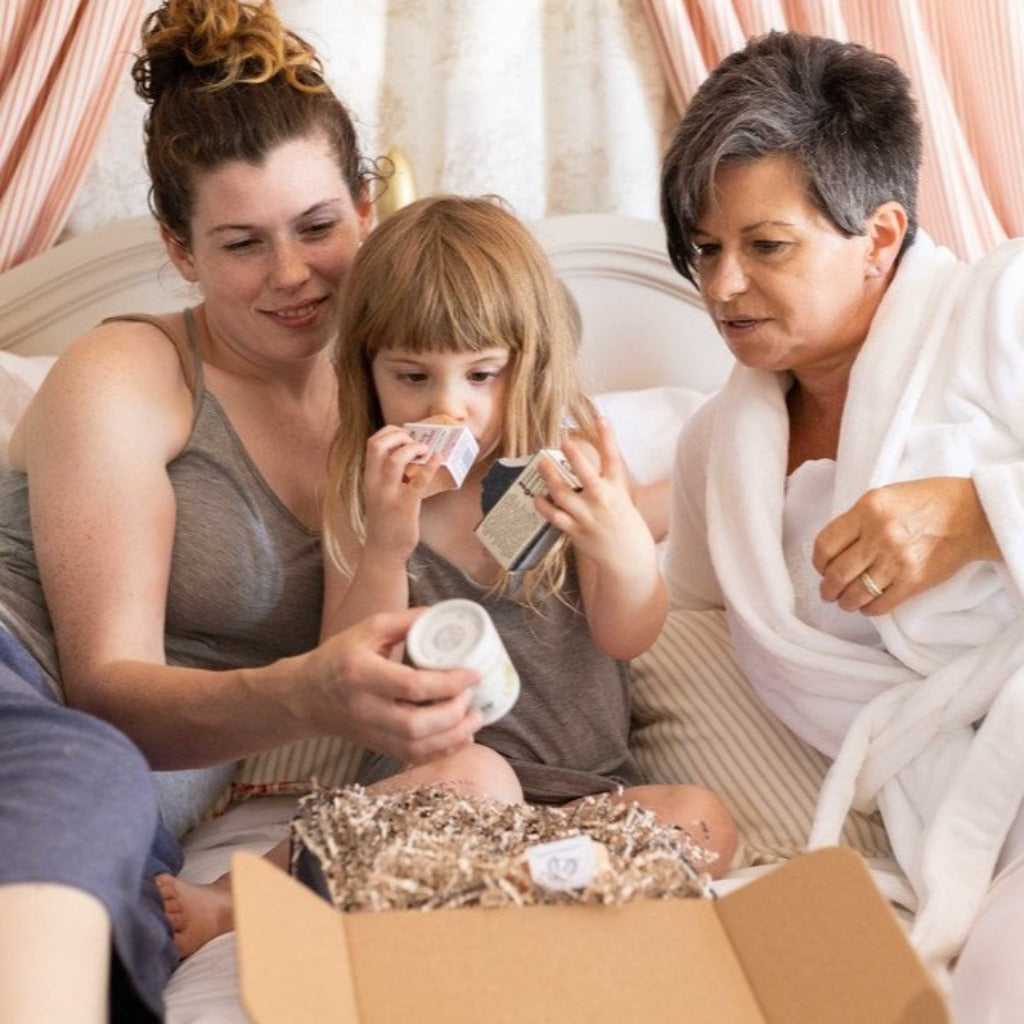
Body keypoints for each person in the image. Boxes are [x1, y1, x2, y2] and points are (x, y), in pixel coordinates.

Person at [0, 2, 482, 1021]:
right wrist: (308, 692)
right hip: (35, 706)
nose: (293, 275)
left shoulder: (404, 398)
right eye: (241, 244)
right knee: (89, 780)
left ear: (363, 205)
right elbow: (101, 697)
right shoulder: (129, 373)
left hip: (139, 811)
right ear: (180, 251)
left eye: (316, 227)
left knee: (121, 949)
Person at [157, 194, 737, 959]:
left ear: (526, 364)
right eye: (412, 376)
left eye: (481, 374)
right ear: (366, 372)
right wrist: (386, 546)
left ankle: (509, 889)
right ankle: (246, 898)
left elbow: (627, 633)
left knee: (706, 819)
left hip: (583, 801)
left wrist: (622, 542)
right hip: (434, 787)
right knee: (484, 772)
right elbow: (347, 669)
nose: (448, 407)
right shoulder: (367, 500)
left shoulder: (564, 479)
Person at [659, 29, 1024, 1019]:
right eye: (704, 248)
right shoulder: (711, 452)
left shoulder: (1000, 308)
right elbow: (669, 623)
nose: (721, 285)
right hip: (929, 826)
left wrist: (982, 516)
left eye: (763, 245)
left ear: (878, 235)